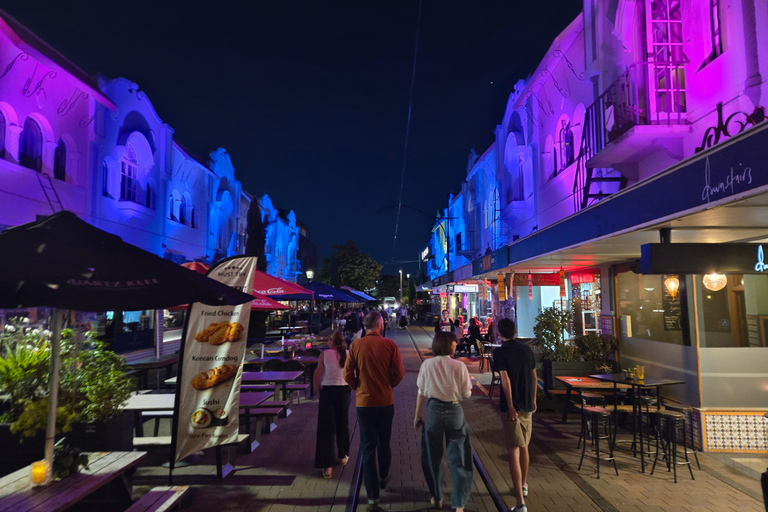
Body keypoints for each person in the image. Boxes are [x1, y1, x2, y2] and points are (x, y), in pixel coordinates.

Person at [344, 311, 405, 511]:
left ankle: (372, 497)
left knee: (368, 449)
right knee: (383, 442)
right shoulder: (390, 345)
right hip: (385, 402)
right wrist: (390, 385)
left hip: (364, 404)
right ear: (379, 325)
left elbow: (347, 374)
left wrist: (357, 387)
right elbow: (400, 374)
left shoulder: (355, 345)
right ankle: (384, 474)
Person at [414, 331, 473, 511]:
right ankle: (459, 503)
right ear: (448, 345)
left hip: (433, 411)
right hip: (454, 411)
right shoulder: (459, 366)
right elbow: (467, 393)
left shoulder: (427, 364)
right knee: (459, 457)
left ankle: (438, 496)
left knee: (432, 456)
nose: (456, 345)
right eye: (454, 343)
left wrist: (416, 415)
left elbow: (421, 392)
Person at [493, 318, 536, 512]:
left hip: (512, 407)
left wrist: (510, 406)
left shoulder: (500, 352)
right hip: (527, 403)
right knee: (524, 446)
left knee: (513, 450)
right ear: (515, 330)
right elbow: (534, 376)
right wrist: (534, 399)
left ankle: (520, 504)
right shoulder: (527, 349)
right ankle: (524, 485)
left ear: (499, 333)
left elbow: (505, 379)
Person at [314, 332, 351, 479]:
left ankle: (327, 466)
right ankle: (342, 456)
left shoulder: (324, 354)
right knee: (343, 423)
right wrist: (350, 389)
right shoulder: (348, 354)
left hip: (328, 390)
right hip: (343, 391)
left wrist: (318, 392)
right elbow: (353, 374)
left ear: (331, 341)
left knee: (326, 428)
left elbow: (317, 374)